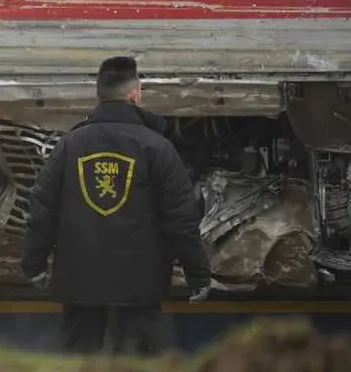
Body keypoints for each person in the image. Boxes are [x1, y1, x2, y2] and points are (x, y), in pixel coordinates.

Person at [20, 55, 212, 356]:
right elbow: (180, 219)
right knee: (138, 362)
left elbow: (42, 208)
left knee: (79, 362)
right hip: (140, 285)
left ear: (98, 95)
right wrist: (197, 274)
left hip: (79, 282)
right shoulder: (157, 147)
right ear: (135, 94)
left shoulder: (70, 145)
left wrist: (34, 264)